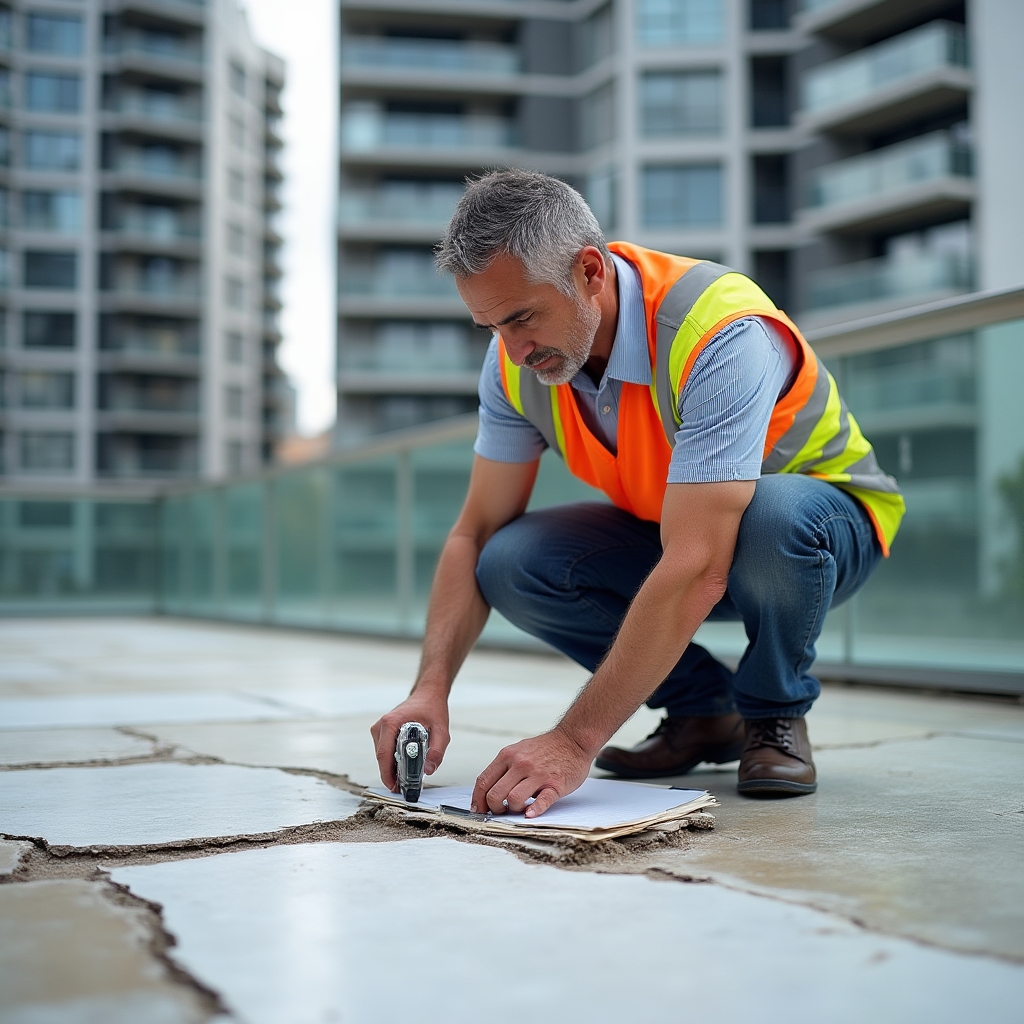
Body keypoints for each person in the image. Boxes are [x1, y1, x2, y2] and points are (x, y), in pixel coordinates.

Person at [370, 169, 903, 818]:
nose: (512, 350)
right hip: (682, 533)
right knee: (507, 559)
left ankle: (774, 714)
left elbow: (700, 565)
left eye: (522, 318)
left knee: (770, 516)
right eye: (490, 328)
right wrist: (429, 688)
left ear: (589, 271)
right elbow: (473, 532)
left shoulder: (720, 331)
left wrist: (574, 741)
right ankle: (705, 711)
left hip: (819, 531)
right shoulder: (517, 363)